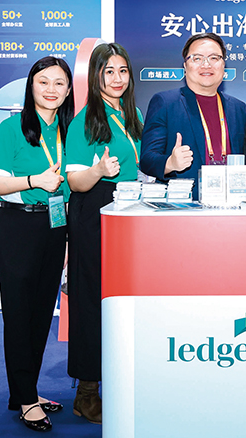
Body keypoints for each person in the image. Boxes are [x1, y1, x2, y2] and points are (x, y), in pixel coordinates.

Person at [0, 56, 74, 432]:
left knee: (40, 316)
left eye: (59, 83)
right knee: (19, 316)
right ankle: (25, 400)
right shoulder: (11, 128)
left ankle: (26, 392)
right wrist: (34, 179)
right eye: (43, 82)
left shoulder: (68, 130)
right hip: (18, 226)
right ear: (31, 86)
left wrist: (66, 239)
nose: (51, 89)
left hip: (55, 226)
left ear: (68, 90)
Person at [64, 42, 143, 424]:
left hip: (127, 212)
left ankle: (121, 378)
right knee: (90, 301)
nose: (117, 78)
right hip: (94, 212)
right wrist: (97, 171)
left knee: (122, 300)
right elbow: (74, 181)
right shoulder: (84, 121)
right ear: (96, 76)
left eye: (122, 71)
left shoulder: (132, 114)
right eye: (108, 71)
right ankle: (87, 392)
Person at [140, 33, 246, 198]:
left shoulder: (238, 108)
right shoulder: (165, 103)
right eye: (197, 58)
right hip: (185, 204)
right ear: (185, 66)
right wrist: (170, 163)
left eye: (214, 58)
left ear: (223, 65)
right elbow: (147, 160)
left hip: (232, 202)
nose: (206, 64)